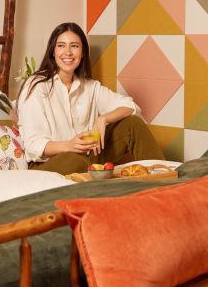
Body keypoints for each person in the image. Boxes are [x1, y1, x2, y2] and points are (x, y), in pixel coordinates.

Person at [16, 22, 164, 175]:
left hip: (88, 156)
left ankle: (165, 179)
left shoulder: (91, 87)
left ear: (82, 53)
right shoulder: (36, 86)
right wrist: (69, 145)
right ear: (53, 51)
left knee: (133, 124)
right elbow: (34, 145)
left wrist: (104, 119)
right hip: (50, 163)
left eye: (74, 46)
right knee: (75, 160)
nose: (68, 52)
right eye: (61, 46)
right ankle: (98, 179)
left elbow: (130, 106)